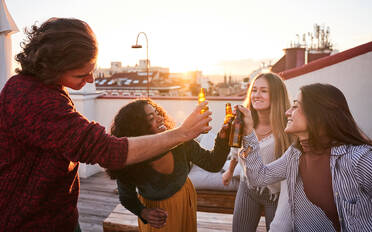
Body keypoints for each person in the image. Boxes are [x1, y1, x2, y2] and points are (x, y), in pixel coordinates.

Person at [0, 18, 212, 232]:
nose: (91, 79)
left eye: (93, 70)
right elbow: (107, 151)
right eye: (82, 75)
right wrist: (182, 133)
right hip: (30, 223)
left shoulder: (46, 87)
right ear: (53, 66)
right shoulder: (30, 98)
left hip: (58, 215)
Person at [239, 83, 372, 231]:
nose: (287, 112)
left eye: (295, 106)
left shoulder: (359, 159)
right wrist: (248, 132)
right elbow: (259, 177)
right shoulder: (295, 154)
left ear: (317, 114)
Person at [105, 99, 231, 232]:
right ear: (138, 128)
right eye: (151, 118)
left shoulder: (180, 141)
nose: (160, 118)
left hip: (185, 199)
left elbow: (213, 164)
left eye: (157, 113)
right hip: (157, 216)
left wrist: (223, 138)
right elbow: (126, 197)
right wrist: (144, 212)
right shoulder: (133, 158)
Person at [222, 72, 292, 232]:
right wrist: (230, 170)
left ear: (276, 95)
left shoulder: (287, 127)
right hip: (247, 187)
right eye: (254, 90)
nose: (256, 95)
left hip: (275, 193)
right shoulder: (244, 121)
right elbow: (235, 148)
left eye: (263, 91)